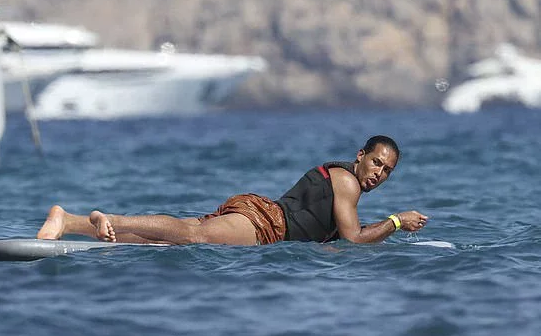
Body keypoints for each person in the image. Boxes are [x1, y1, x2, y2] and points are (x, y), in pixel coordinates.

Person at [37, 135, 428, 246]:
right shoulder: (347, 183)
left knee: (172, 239)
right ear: (360, 157)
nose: (379, 173)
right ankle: (112, 218)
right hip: (265, 224)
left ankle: (67, 222)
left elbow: (327, 234)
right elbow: (354, 238)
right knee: (193, 233)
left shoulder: (343, 178)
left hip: (263, 217)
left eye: (387, 171)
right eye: (376, 163)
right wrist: (396, 220)